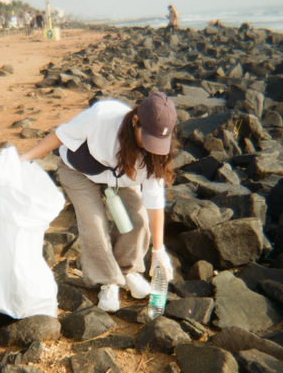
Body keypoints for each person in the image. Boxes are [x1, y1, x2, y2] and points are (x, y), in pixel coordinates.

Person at [19, 92, 177, 312]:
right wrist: (25, 158)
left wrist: (159, 251)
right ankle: (108, 281)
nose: (152, 147)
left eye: (159, 142)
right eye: (148, 138)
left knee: (138, 219)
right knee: (94, 223)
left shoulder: (154, 156)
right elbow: (60, 136)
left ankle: (126, 270)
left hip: (122, 176)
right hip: (80, 171)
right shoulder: (102, 117)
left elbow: (154, 201)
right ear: (135, 121)